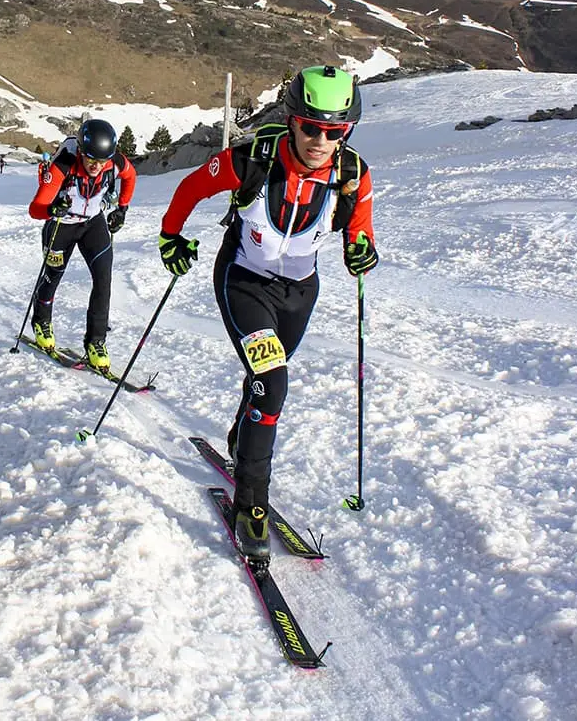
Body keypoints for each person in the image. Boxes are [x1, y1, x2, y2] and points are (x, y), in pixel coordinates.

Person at [158, 65, 377, 567]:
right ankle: (250, 506)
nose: (322, 140)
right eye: (311, 127)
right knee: (272, 380)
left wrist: (363, 252)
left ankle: (242, 436)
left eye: (335, 131)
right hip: (244, 281)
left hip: (300, 294)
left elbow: (359, 235)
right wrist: (171, 236)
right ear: (294, 119)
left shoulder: (352, 176)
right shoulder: (253, 159)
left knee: (264, 378)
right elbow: (191, 187)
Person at [27, 118, 136, 370]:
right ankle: (41, 321)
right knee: (53, 275)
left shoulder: (115, 162)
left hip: (92, 224)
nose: (97, 166)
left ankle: (96, 341)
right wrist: (52, 208)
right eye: (90, 160)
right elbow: (35, 209)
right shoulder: (63, 166)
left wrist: (123, 207)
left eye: (102, 161)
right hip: (60, 226)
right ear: (80, 152)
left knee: (103, 279)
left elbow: (131, 177)